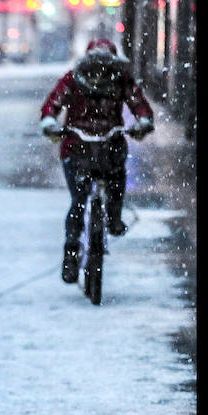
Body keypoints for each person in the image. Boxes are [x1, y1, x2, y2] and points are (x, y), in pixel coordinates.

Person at [39, 38, 155, 284]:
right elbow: (139, 105)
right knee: (113, 181)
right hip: (104, 146)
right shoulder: (120, 78)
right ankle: (112, 219)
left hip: (77, 148)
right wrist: (142, 122)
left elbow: (52, 104)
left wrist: (51, 122)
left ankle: (72, 253)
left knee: (78, 200)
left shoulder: (73, 78)